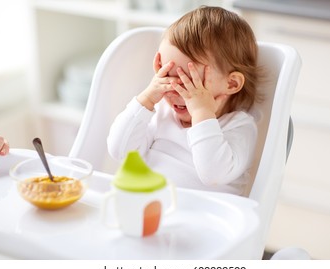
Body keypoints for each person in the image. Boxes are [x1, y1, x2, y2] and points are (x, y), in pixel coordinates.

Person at [107, 6, 261, 196]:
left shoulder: (239, 126)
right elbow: (119, 151)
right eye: (167, 76)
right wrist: (146, 99)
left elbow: (213, 174)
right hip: (149, 208)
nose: (175, 89)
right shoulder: (162, 112)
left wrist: (201, 114)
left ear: (231, 83)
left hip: (204, 218)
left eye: (190, 81)